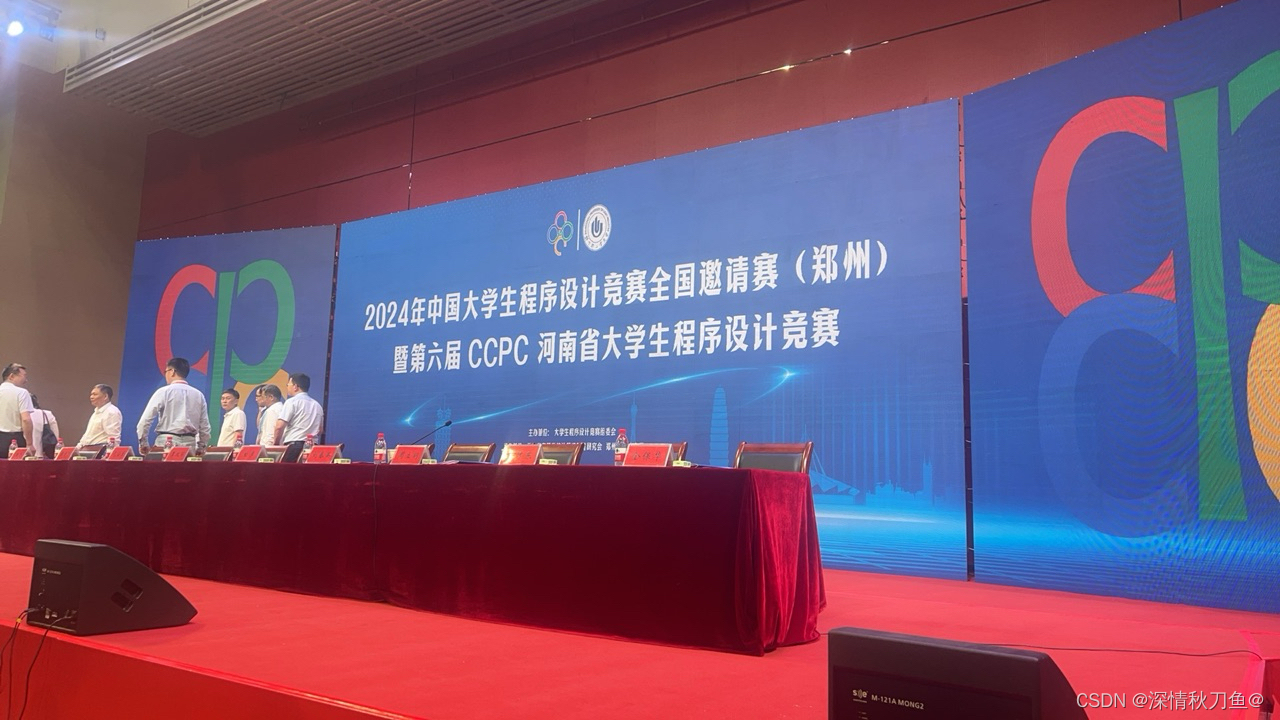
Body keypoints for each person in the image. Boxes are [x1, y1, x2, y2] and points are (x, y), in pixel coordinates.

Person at [136, 357, 211, 455]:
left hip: (166, 442)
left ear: (172, 372)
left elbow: (145, 421)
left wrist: (143, 443)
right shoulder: (198, 395)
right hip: (190, 443)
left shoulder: (163, 392)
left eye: (166, 371)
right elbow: (205, 426)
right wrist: (201, 447)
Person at [273, 372, 323, 463]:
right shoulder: (317, 405)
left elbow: (279, 426)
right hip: (312, 449)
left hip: (294, 447)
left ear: (295, 387)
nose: (287, 387)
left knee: (288, 471)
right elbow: (320, 430)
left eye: (288, 384)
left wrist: (276, 444)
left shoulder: (292, 402)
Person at [0, 363, 34, 459]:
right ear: (11, 376)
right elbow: (26, 419)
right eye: (24, 376)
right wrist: (29, 444)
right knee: (15, 467)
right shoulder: (21, 393)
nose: (26, 380)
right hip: (14, 439)